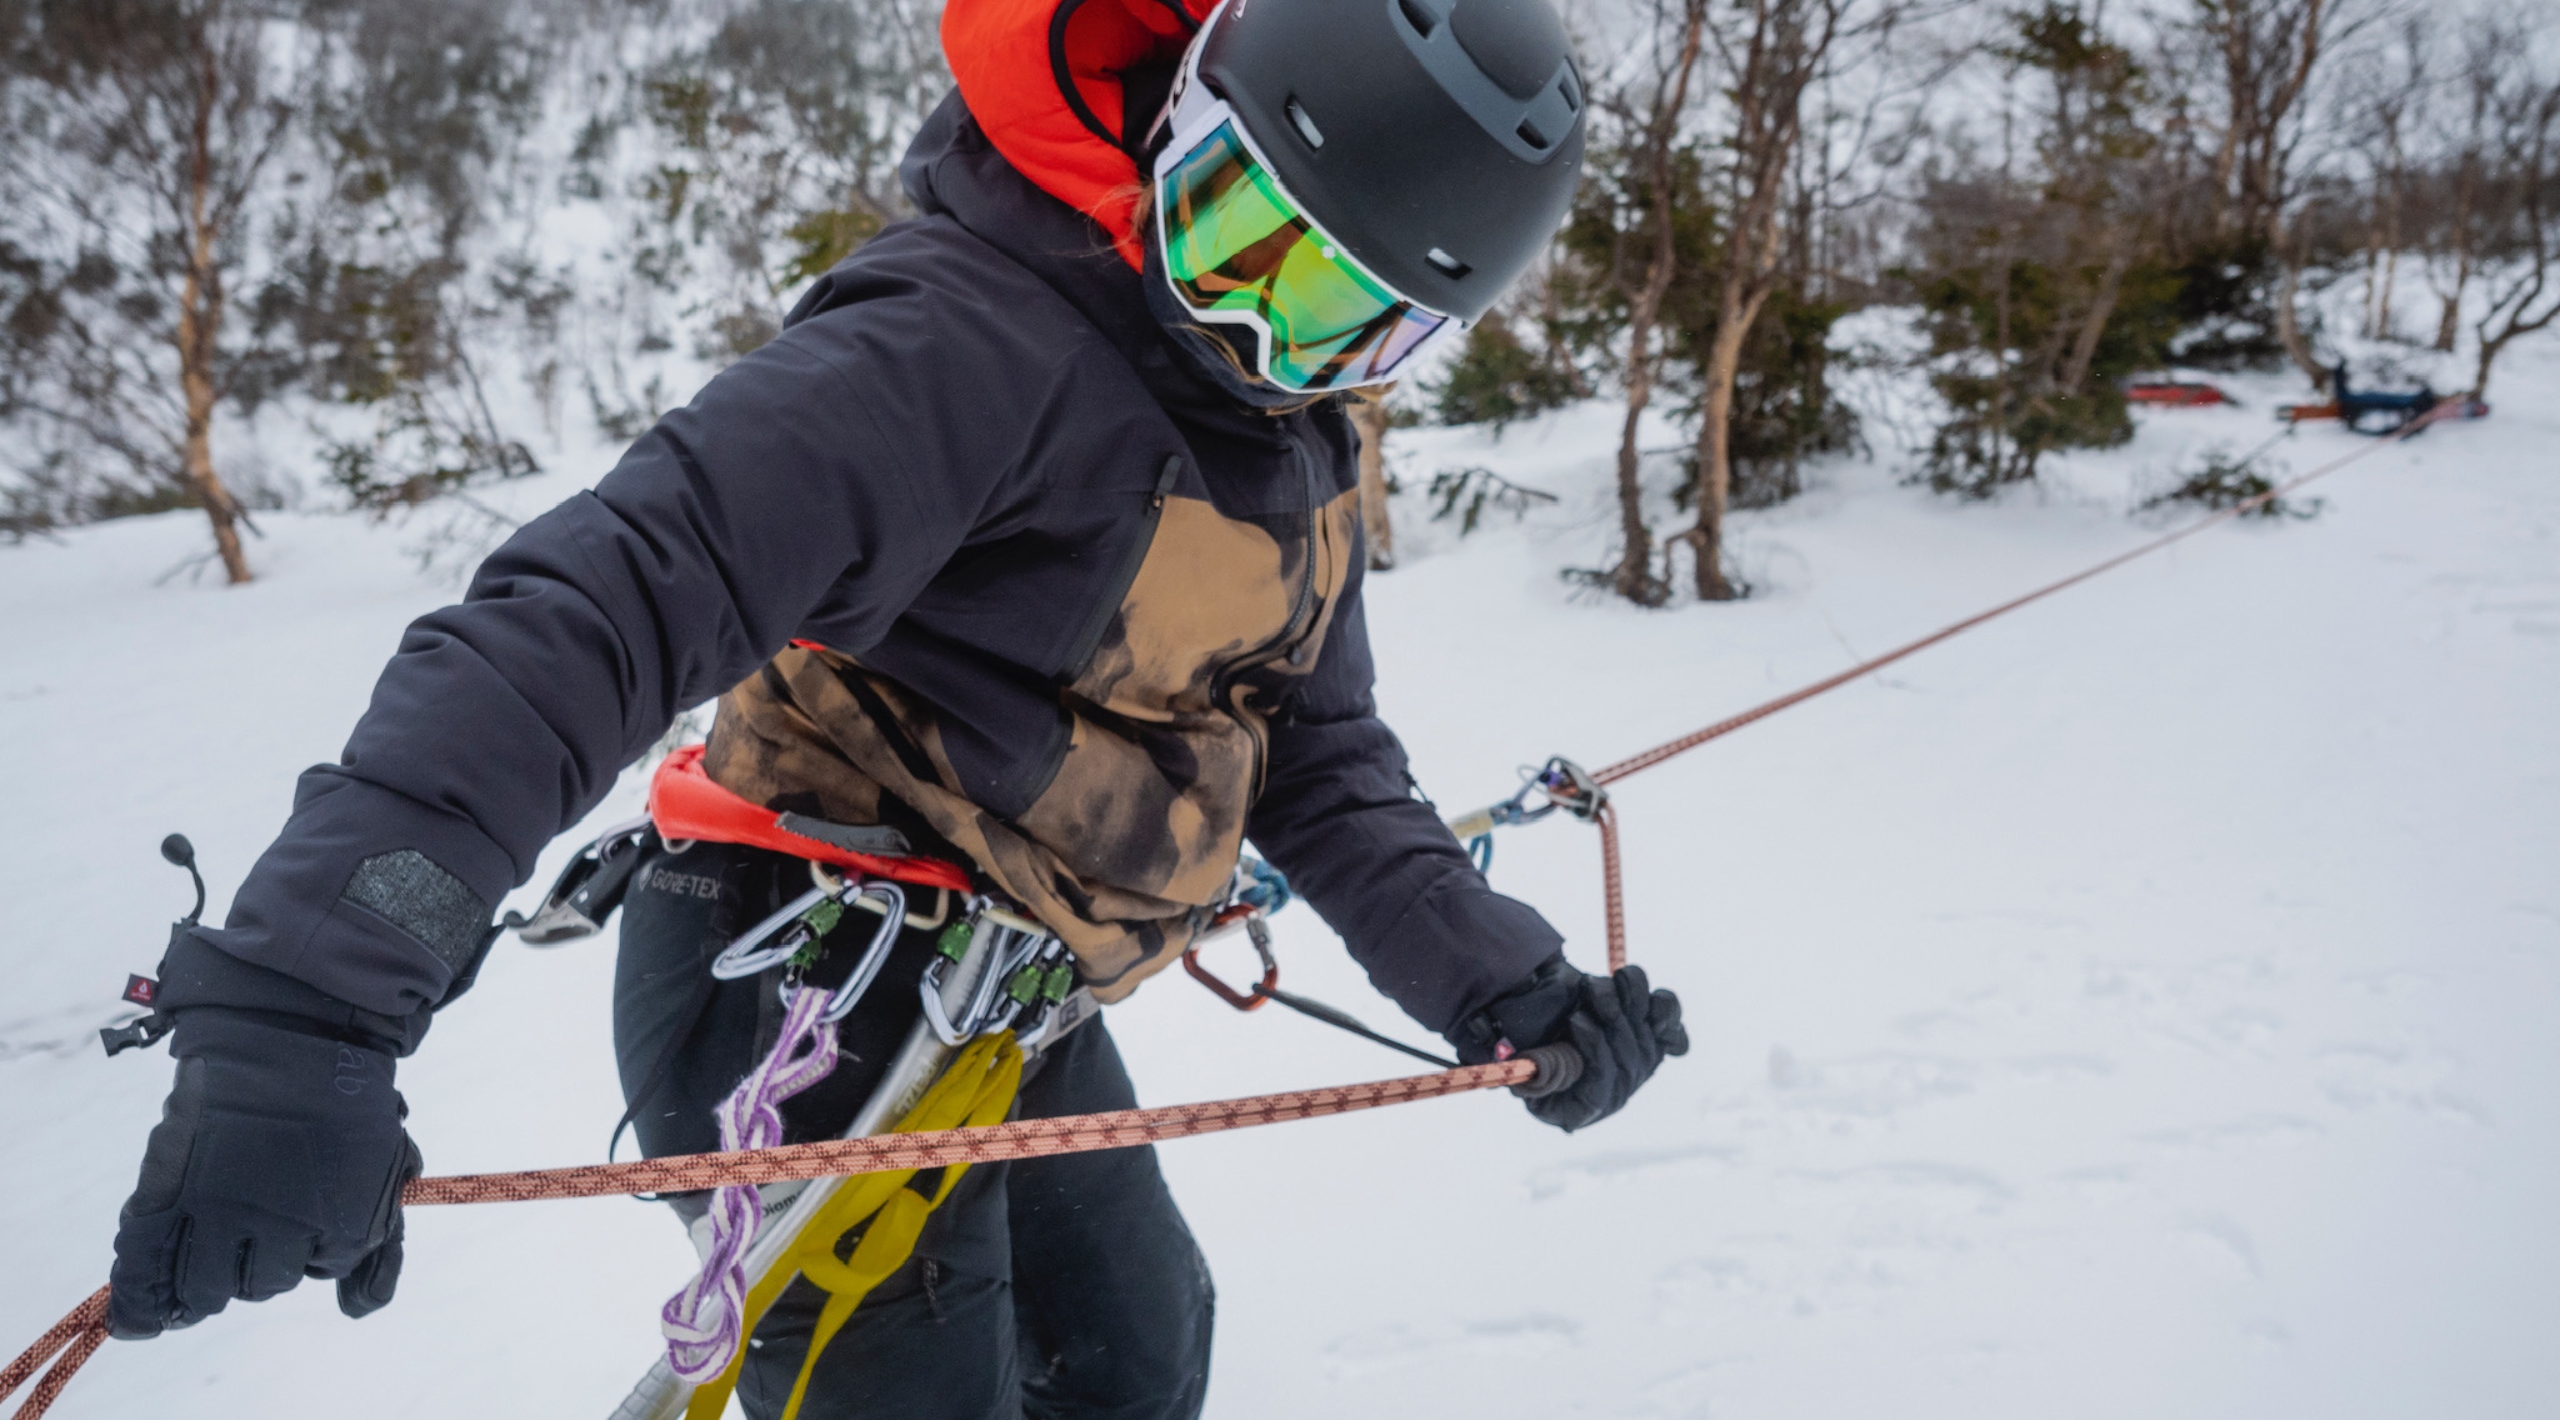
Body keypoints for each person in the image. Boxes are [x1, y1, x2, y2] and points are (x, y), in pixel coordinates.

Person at [103, 0, 1688, 1413]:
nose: (1250, 325)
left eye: (1334, 316)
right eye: (1224, 229)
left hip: (1000, 987)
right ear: (1175, 115)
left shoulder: (1302, 446)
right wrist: (312, 1002)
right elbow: (604, 599)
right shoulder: (968, 344)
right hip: (790, 977)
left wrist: (1511, 990)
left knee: (1141, 1353)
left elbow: (1320, 760)